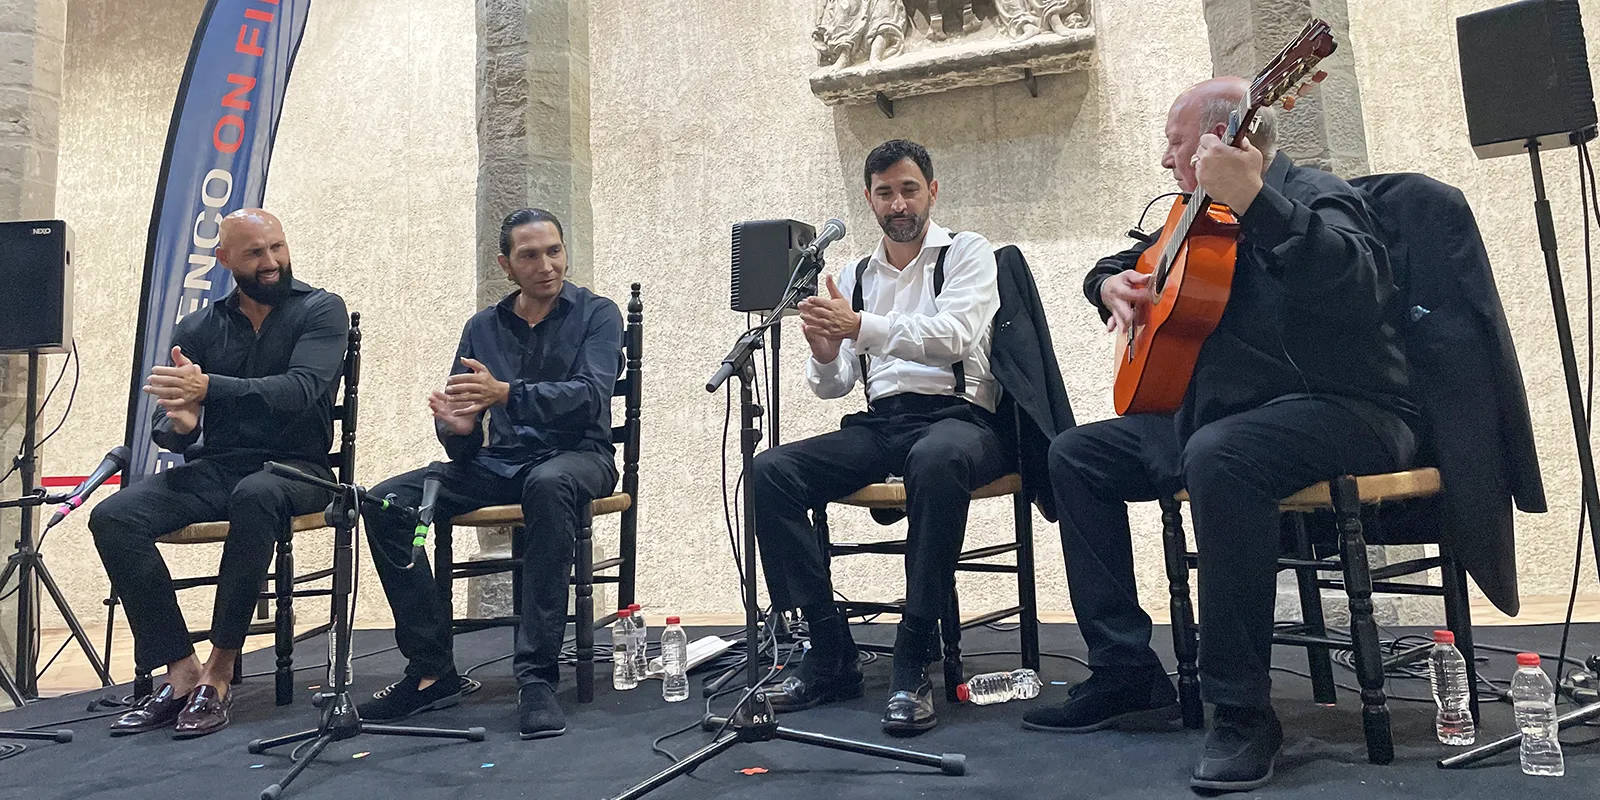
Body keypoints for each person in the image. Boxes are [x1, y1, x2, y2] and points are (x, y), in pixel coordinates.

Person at [1022, 77, 1417, 792]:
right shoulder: (1191, 217)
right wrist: (1106, 285)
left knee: (1221, 455)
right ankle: (1125, 671)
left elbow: (1362, 287)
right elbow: (1124, 265)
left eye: (1175, 144)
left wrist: (1259, 201)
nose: (1165, 160)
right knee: (1075, 454)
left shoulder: (1316, 192)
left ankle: (1240, 712)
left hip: (1345, 410)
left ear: (1219, 140)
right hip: (1221, 421)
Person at [751, 139, 1010, 736]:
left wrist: (860, 325)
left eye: (909, 189)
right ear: (869, 200)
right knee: (771, 472)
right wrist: (824, 351)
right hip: (883, 422)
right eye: (886, 192)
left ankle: (914, 652)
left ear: (932, 192)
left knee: (936, 458)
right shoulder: (854, 275)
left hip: (961, 419)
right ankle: (829, 649)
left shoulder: (967, 252)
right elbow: (836, 384)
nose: (899, 204)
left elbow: (955, 335)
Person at [355, 208, 622, 741]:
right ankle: (432, 670)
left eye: (554, 251)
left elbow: (591, 397)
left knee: (548, 484)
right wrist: (458, 429)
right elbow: (463, 431)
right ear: (506, 265)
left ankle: (536, 678)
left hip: (578, 456)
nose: (546, 265)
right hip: (500, 462)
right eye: (530, 255)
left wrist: (506, 394)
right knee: (386, 502)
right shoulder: (482, 327)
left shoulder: (598, 313)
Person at [91, 209, 350, 739]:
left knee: (255, 494)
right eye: (255, 253)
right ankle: (180, 669)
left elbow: (302, 389)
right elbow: (172, 425)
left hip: (298, 467)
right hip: (221, 466)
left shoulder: (321, 309)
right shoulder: (198, 327)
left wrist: (209, 389)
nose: (271, 261)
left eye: (277, 247)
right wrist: (182, 424)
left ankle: (221, 669)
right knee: (114, 516)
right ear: (225, 259)